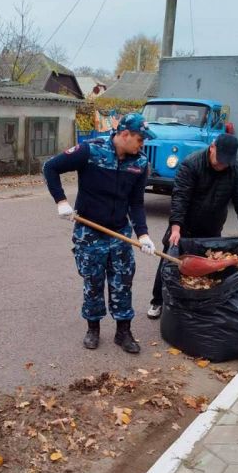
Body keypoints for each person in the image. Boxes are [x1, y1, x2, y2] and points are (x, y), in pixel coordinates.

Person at [43, 113, 157, 353]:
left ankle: (123, 332)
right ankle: (92, 328)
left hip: (119, 233)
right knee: (93, 282)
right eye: (140, 139)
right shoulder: (90, 151)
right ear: (124, 135)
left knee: (122, 283)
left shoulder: (140, 163)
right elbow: (50, 167)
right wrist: (61, 201)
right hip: (90, 232)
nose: (142, 144)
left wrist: (143, 235)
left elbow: (136, 203)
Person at [147, 133, 238, 318]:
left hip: (212, 226)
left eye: (226, 161)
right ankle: (157, 301)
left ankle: (198, 303)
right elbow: (180, 197)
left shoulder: (235, 169)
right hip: (185, 225)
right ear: (212, 147)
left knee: (208, 267)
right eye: (219, 160)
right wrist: (176, 227)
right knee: (169, 262)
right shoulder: (191, 164)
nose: (222, 165)